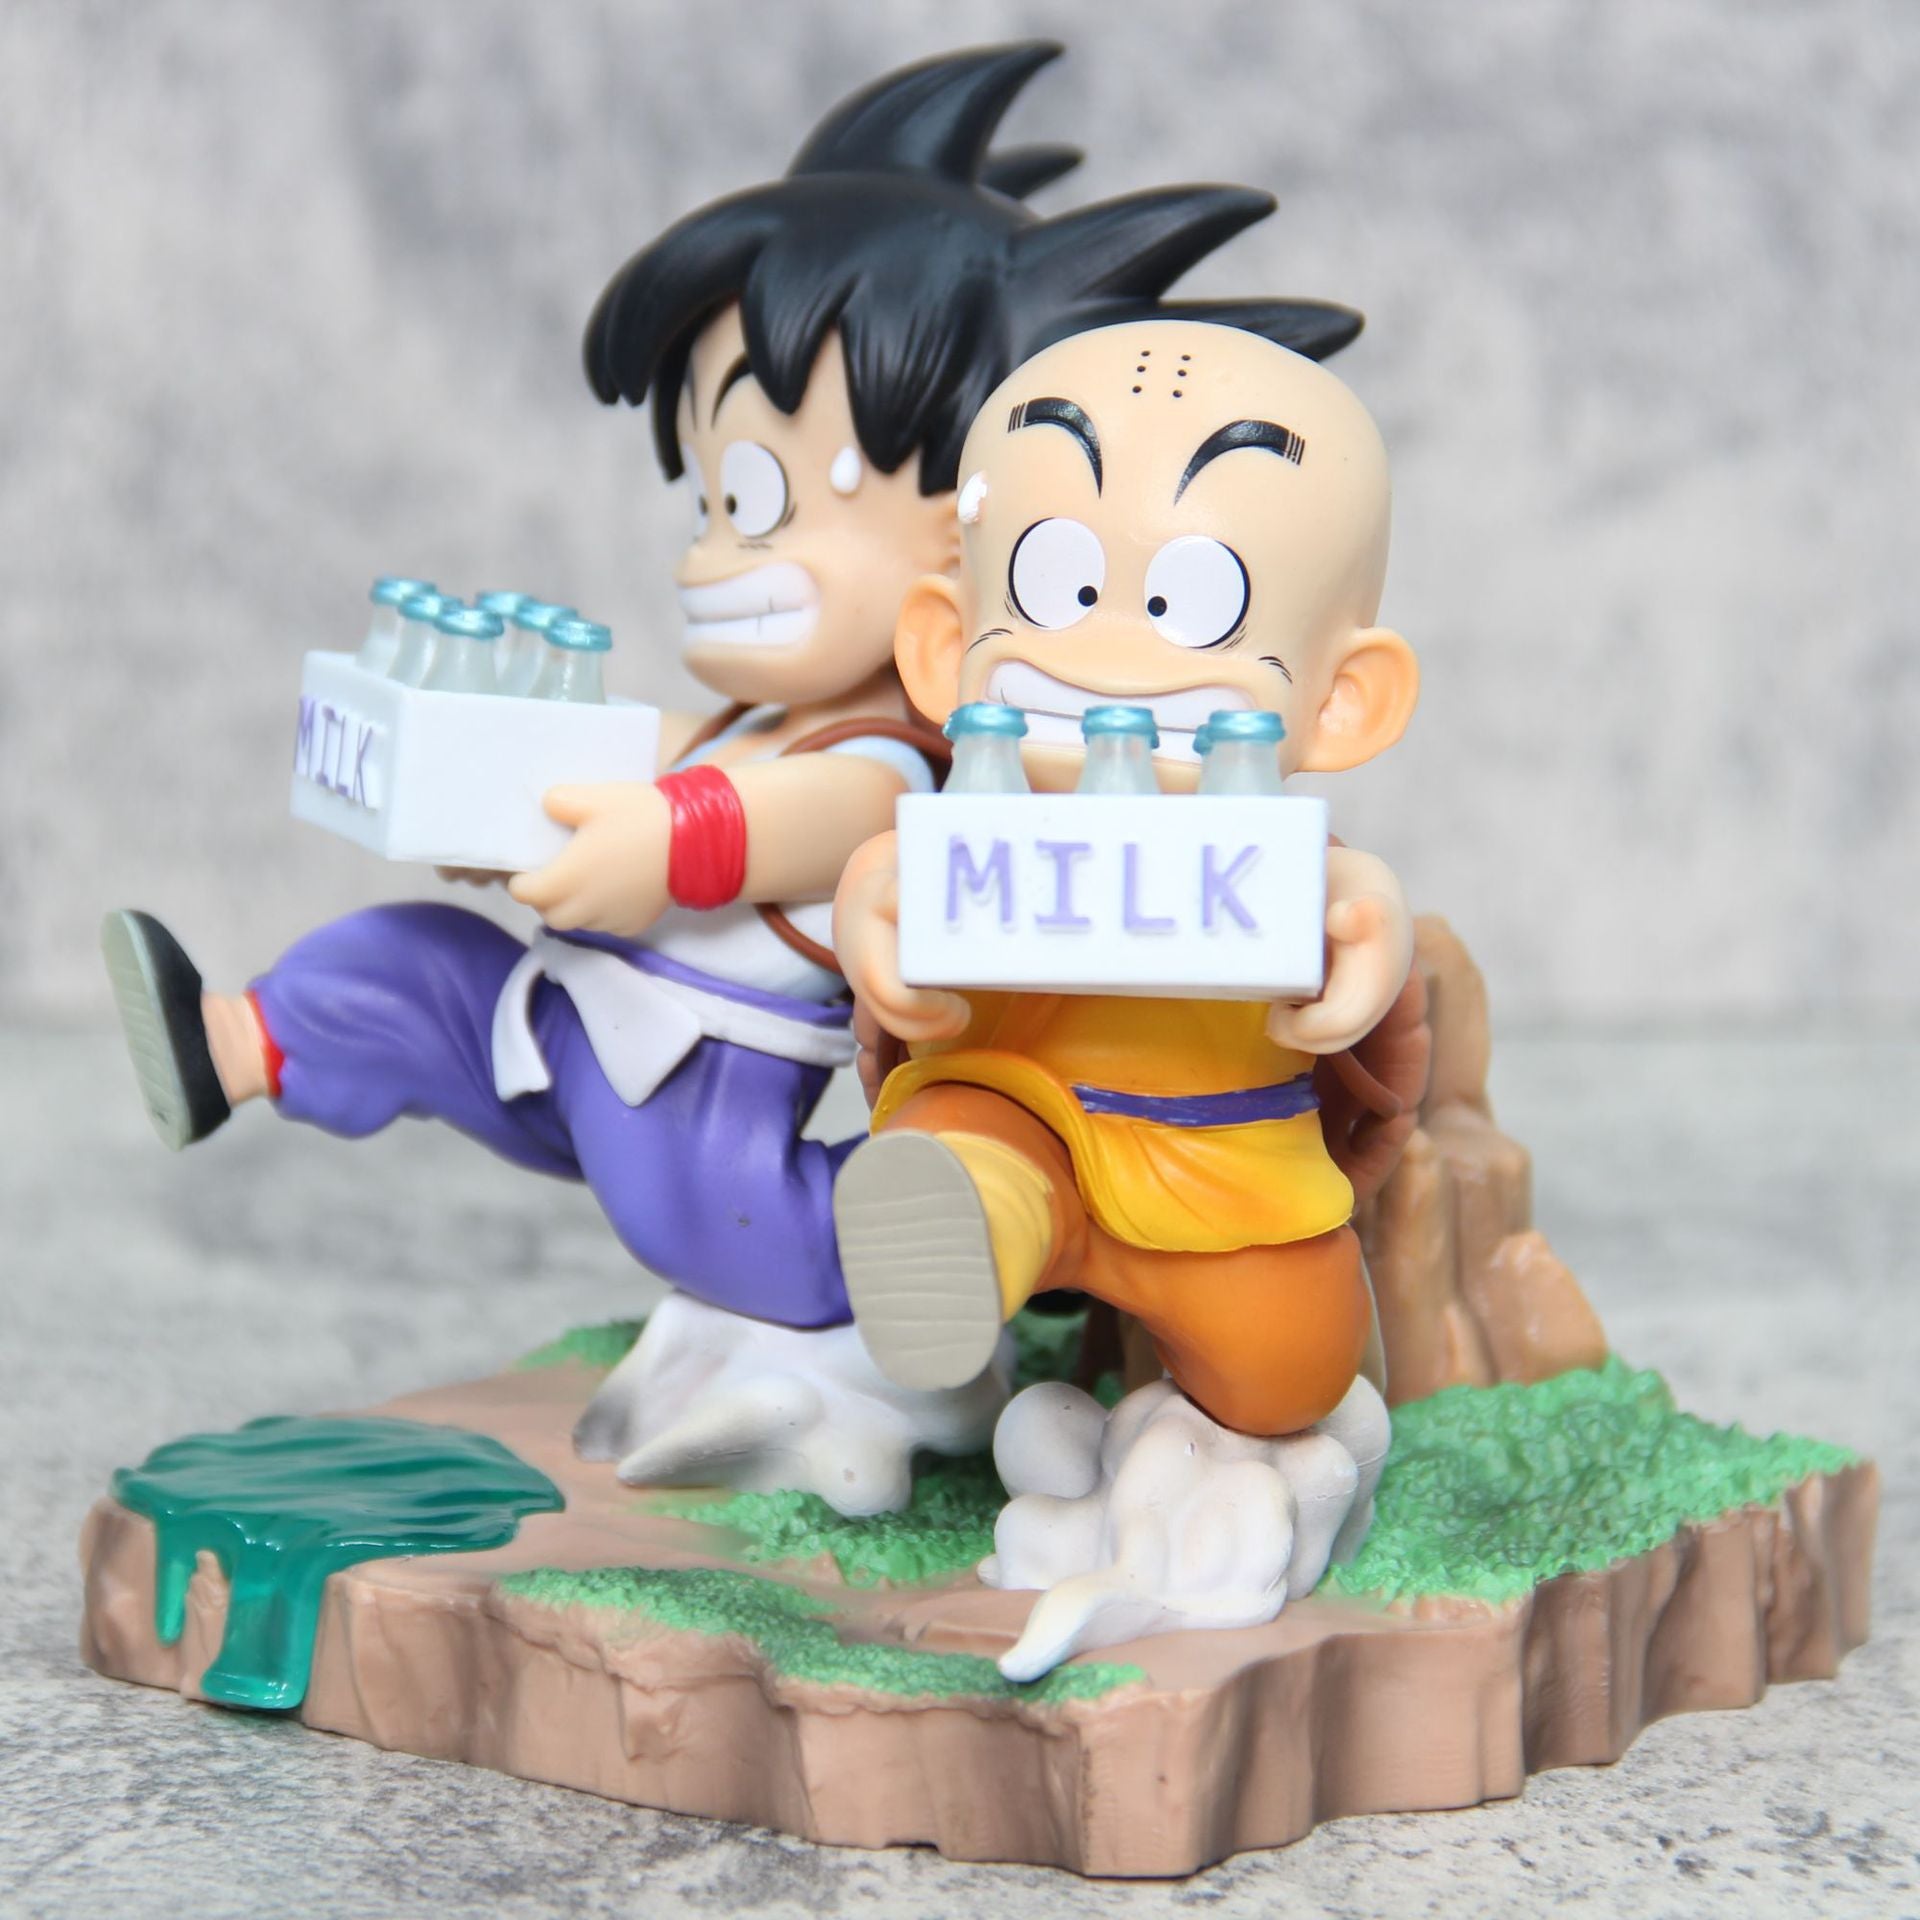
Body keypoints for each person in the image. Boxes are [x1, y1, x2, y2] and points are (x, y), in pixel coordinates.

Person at [100, 45, 1361, 1511]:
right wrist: (512, 818)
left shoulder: (911, 765)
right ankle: (230, 1044)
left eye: (763, 501)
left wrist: (653, 844)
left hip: (703, 1101)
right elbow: (632, 796)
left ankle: (922, 1274)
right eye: (712, 494)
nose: (715, 553)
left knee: (755, 1223)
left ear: (962, 537)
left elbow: (775, 826)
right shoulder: (747, 714)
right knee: (415, 966)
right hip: (568, 1022)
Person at [831, 318, 1411, 1654]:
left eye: (1193, 606)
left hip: (1224, 1165)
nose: (1112, 661)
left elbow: (1357, 916)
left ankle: (1237, 1432)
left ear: (1345, 702)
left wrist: (1354, 954)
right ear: (944, 647)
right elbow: (882, 890)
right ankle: (959, 1242)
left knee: (1290, 1368)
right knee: (967, 1150)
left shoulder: (1292, 860)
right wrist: (881, 929)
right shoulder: (965, 831)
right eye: (1056, 583)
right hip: (1017, 1105)